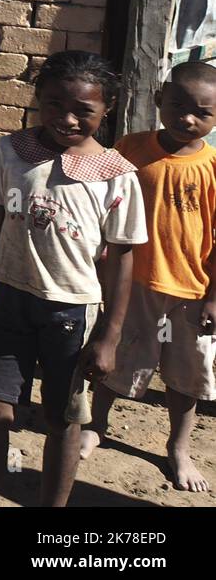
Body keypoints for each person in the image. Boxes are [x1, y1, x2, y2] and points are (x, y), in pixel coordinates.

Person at [0, 50, 147, 506]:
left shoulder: (116, 177)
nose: (66, 119)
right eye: (54, 105)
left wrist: (110, 335)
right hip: (8, 301)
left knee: (63, 421)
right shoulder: (11, 152)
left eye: (83, 110)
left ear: (106, 110)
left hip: (72, 313)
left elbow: (121, 258)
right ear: (38, 100)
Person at [80, 61, 216, 492]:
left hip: (193, 290)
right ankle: (96, 424)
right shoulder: (130, 149)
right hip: (133, 283)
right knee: (114, 357)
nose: (187, 118)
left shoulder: (213, 166)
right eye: (177, 105)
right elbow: (102, 206)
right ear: (158, 100)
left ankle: (178, 447)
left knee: (186, 375)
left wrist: (214, 297)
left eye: (202, 112)